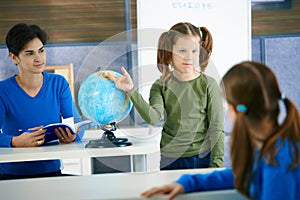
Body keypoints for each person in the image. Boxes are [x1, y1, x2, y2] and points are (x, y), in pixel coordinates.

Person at [141, 61, 300, 200]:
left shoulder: (278, 159)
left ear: (235, 110)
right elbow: (241, 176)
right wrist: (188, 183)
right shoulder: (272, 149)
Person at [108, 22, 225, 169]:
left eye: (194, 51)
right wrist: (131, 90)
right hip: (170, 159)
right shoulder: (160, 86)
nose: (189, 57)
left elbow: (217, 128)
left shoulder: (208, 85)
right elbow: (153, 118)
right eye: (183, 51)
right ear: (170, 50)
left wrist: (217, 166)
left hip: (202, 158)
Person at [0, 23, 84, 180]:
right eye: (29, 53)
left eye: (41, 51)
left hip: (52, 173)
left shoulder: (59, 84)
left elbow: (76, 123)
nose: (38, 58)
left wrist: (73, 136)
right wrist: (14, 141)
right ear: (14, 57)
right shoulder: (3, 90)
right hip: (11, 176)